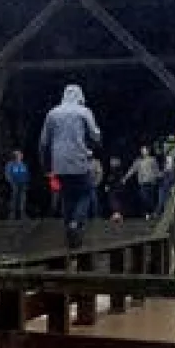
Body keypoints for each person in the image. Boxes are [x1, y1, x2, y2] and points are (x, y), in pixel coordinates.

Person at [39, 84, 101, 248]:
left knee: (66, 195)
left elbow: (44, 142)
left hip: (58, 164)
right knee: (85, 193)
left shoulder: (52, 113)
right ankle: (75, 223)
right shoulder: (84, 111)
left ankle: (68, 230)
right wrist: (92, 148)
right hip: (79, 161)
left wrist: (46, 166)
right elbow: (95, 135)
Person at [124, 145, 160, 219]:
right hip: (143, 183)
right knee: (144, 198)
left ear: (148, 151)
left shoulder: (152, 160)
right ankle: (147, 213)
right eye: (142, 150)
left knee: (151, 199)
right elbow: (132, 170)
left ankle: (152, 212)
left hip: (151, 182)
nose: (143, 151)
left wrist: (158, 177)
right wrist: (125, 178)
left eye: (144, 150)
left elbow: (156, 170)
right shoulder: (138, 161)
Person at [5, 150, 30, 220]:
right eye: (18, 155)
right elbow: (7, 174)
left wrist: (26, 182)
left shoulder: (23, 164)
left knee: (22, 198)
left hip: (22, 184)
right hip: (14, 184)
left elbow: (26, 174)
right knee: (14, 198)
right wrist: (11, 182)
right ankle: (12, 214)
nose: (20, 156)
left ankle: (21, 213)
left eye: (20, 155)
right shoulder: (10, 164)